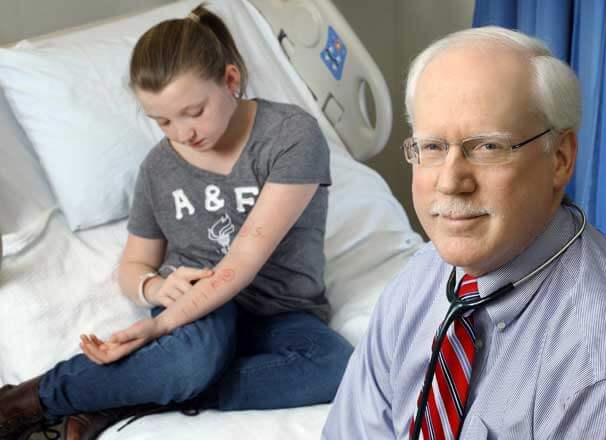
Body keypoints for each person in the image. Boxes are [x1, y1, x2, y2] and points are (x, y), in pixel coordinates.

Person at [0, 5, 353, 440]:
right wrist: (153, 289)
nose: (183, 133)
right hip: (198, 309)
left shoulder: (289, 136)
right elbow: (133, 266)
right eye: (163, 121)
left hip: (282, 310)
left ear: (230, 80)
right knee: (190, 360)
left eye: (194, 111)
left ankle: (127, 395)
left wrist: (158, 326)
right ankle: (28, 401)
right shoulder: (157, 169)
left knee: (335, 369)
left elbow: (243, 259)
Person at [322, 26, 606, 439]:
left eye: (488, 147)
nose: (451, 181)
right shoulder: (417, 281)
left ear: (560, 159)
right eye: (432, 147)